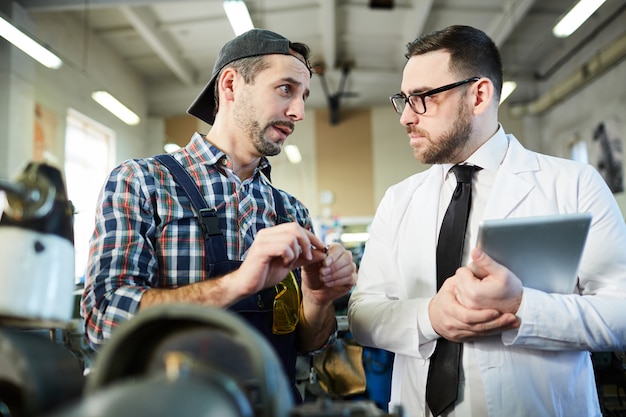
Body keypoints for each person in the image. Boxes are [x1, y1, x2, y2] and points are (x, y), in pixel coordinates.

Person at [347, 25, 626, 417]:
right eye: (404, 100)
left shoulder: (573, 184)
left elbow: (620, 313)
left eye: (423, 98)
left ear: (478, 95)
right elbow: (362, 314)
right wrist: (430, 317)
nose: (406, 117)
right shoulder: (399, 200)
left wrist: (522, 307)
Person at [81, 28, 357, 402]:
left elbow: (308, 344)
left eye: (303, 96)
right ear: (230, 85)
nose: (299, 112)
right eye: (285, 89)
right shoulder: (142, 183)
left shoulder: (290, 212)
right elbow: (104, 319)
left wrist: (319, 297)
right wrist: (237, 283)